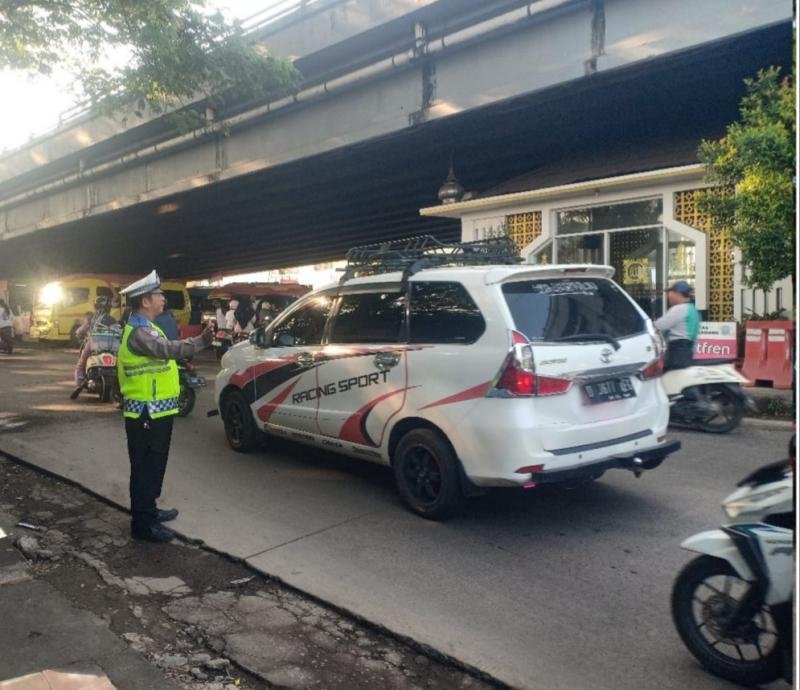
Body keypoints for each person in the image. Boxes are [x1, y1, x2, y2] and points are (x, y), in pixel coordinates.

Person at [117, 270, 213, 542]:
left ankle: (150, 510)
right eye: (159, 295)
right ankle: (143, 525)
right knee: (146, 467)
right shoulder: (140, 332)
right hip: (145, 412)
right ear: (145, 301)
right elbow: (167, 350)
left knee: (154, 464)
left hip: (156, 409)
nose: (163, 299)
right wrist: (201, 341)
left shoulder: (147, 326)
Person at [71, 296, 117, 396]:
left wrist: (78, 333)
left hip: (94, 343)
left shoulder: (92, 317)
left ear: (96, 306)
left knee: (82, 362)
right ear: (109, 307)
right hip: (112, 346)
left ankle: (79, 383)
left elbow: (82, 330)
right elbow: (118, 330)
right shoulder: (112, 319)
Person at [654, 280, 700, 371]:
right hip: (688, 353)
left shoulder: (679, 309)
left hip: (677, 353)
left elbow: (659, 326)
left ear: (678, 293)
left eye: (670, 293)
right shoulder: (693, 310)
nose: (668, 296)